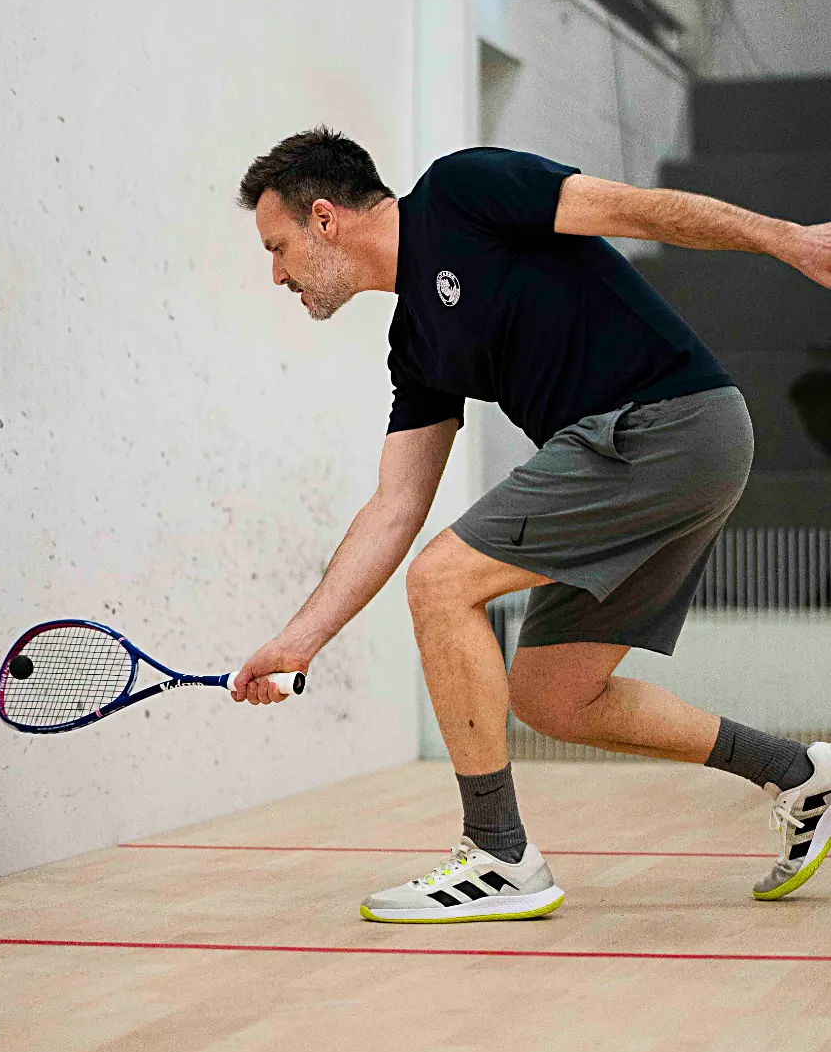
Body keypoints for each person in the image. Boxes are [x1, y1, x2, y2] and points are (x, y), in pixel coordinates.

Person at [231, 127, 831, 923]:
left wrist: (788, 239)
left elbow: (638, 211)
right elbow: (395, 506)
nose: (276, 274)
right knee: (555, 697)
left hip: (664, 426)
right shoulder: (416, 345)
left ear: (324, 219)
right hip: (662, 451)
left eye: (277, 248)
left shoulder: (463, 191)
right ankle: (798, 772)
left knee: (441, 582)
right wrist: (299, 638)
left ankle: (498, 856)